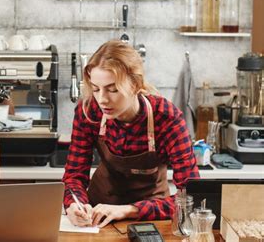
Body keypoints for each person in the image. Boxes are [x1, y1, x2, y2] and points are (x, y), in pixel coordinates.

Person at [63, 40, 199, 227]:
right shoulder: (89, 112)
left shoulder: (167, 118)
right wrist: (74, 204)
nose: (102, 99)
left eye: (113, 89)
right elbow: (74, 176)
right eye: (95, 89)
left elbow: (191, 195)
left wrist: (129, 210)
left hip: (150, 218)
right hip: (97, 217)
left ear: (135, 85)